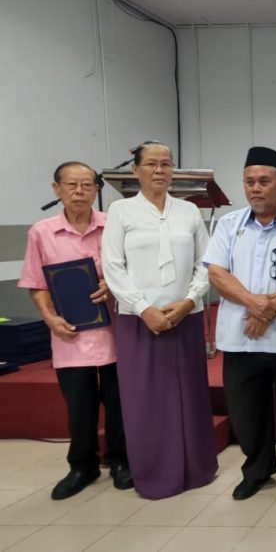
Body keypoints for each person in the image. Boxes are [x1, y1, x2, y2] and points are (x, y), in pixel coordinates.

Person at [203, 146, 276, 500]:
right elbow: (217, 273)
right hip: (240, 337)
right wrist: (254, 304)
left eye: (264, 181)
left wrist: (268, 309)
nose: (256, 188)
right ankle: (256, 470)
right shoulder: (229, 224)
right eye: (249, 182)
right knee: (246, 411)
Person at [101, 141, 217, 499]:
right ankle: (155, 473)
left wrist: (190, 300)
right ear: (135, 170)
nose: (160, 170)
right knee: (147, 398)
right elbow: (113, 267)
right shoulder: (121, 211)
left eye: (166, 164)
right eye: (151, 164)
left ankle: (197, 468)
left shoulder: (188, 211)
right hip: (138, 321)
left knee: (190, 395)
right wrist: (143, 308)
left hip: (185, 316)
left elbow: (206, 262)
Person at [18, 161, 131, 500]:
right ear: (57, 189)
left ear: (96, 190)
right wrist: (49, 318)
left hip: (115, 330)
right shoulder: (41, 232)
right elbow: (36, 283)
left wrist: (113, 284)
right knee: (79, 406)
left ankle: (121, 459)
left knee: (119, 401)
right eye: (72, 185)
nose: (80, 192)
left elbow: (131, 270)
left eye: (87, 185)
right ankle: (82, 465)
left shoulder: (114, 225)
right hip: (70, 333)